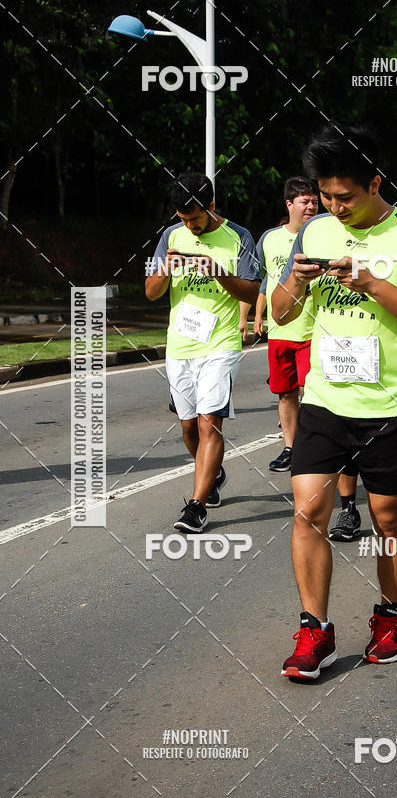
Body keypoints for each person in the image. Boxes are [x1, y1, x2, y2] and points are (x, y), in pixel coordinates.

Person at [271, 122, 397, 679]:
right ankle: (314, 631)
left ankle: (390, 616)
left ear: (375, 183)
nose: (333, 207)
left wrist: (373, 284)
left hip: (391, 404)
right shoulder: (315, 232)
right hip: (325, 400)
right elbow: (280, 313)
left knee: (388, 517)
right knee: (307, 514)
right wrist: (298, 283)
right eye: (325, 196)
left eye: (344, 196)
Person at [145, 172, 261, 531]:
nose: (190, 225)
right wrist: (166, 268)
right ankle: (212, 473)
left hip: (220, 344)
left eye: (195, 217)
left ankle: (196, 506)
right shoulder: (171, 236)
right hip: (180, 345)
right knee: (188, 426)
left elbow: (251, 293)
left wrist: (219, 272)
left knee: (210, 422)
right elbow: (151, 291)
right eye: (183, 219)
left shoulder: (239, 237)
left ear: (211, 206)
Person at [250, 177, 319, 472]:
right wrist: (253, 315)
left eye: (314, 201)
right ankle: (290, 448)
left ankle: (314, 448)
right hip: (280, 330)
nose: (311, 206)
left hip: (314, 330)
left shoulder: (323, 234)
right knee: (286, 393)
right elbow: (262, 280)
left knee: (312, 393)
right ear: (289, 204)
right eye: (305, 201)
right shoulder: (269, 238)